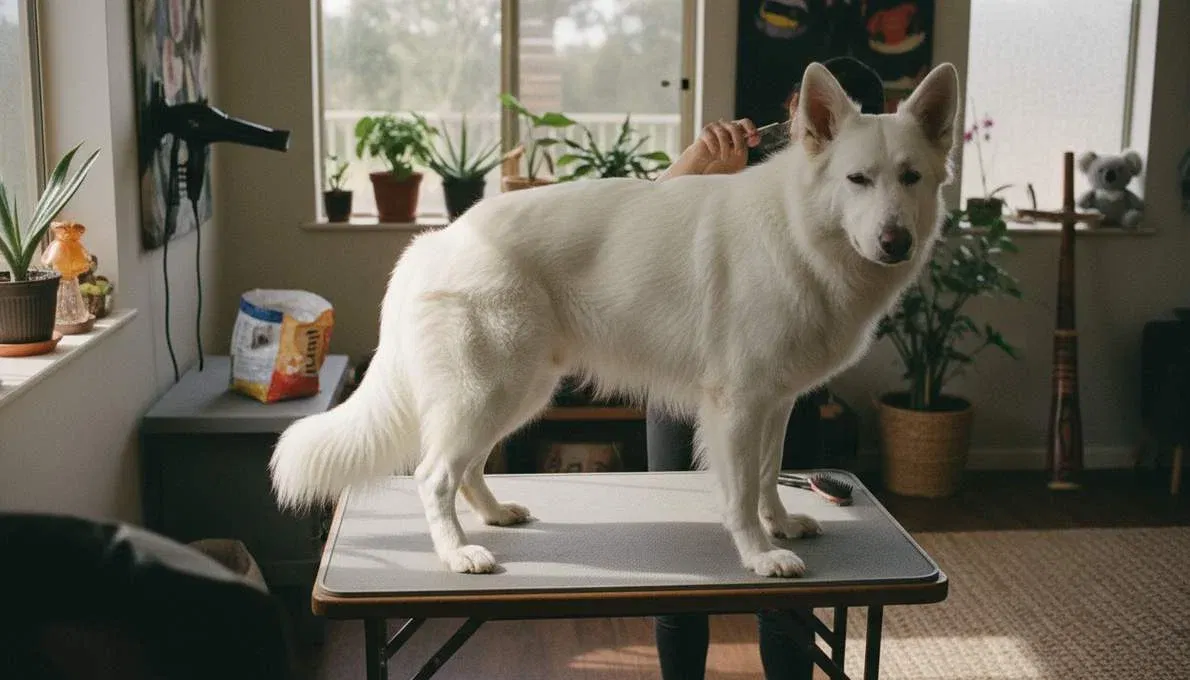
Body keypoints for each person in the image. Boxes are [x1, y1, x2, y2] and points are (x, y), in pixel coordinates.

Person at [647, 56, 886, 680]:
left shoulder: (868, 185)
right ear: (796, 111)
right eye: (812, 110)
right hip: (684, 380)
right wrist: (698, 171)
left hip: (784, 392)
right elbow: (640, 234)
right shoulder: (739, 169)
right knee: (682, 570)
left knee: (787, 590)